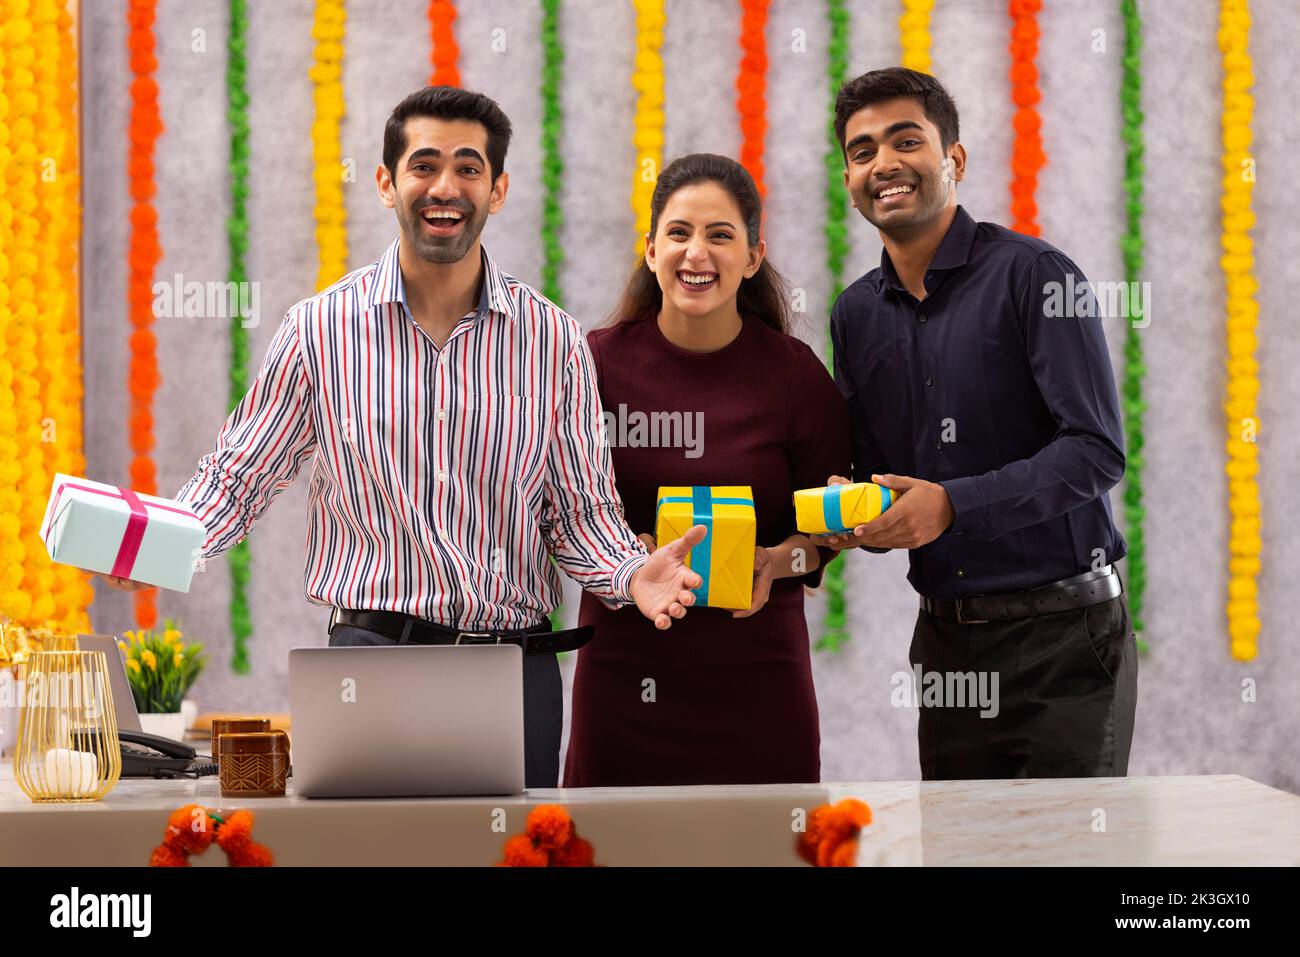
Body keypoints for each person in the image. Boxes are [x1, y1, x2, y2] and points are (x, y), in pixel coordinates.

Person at [93, 86, 707, 789]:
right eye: (424, 165)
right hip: (369, 661)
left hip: (514, 670)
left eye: (469, 167)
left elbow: (579, 514)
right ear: (386, 182)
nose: (445, 186)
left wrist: (631, 572)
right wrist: (166, 543)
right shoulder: (320, 330)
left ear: (498, 189)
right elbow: (240, 477)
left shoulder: (552, 340)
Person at [819, 68, 1137, 779]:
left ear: (954, 159)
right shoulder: (856, 314)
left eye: (907, 140)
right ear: (848, 177)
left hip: (1066, 642)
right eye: (863, 150)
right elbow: (878, 473)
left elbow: (1096, 451)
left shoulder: (1036, 276)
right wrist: (853, 516)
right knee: (960, 853)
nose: (885, 164)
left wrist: (954, 504)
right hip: (946, 645)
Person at [563, 154, 850, 787]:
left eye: (721, 235)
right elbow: (558, 512)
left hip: (760, 684)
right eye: (679, 232)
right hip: (623, 675)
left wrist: (775, 563)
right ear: (650, 248)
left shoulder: (795, 376)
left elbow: (823, 545)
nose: (697, 252)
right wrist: (618, 556)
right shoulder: (591, 365)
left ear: (752, 256)